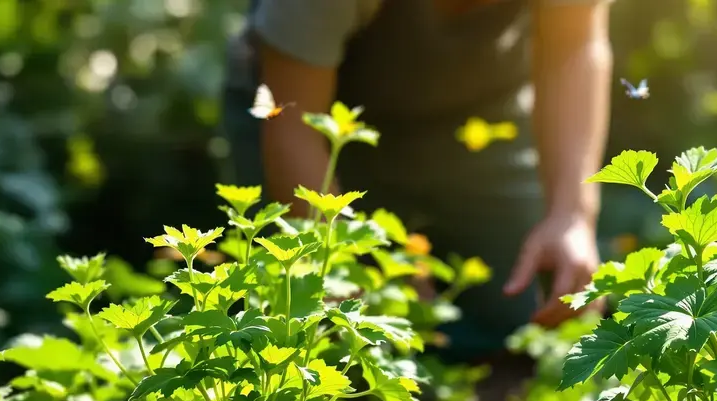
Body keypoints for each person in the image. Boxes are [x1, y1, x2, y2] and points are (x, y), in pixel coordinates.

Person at [222, 0, 613, 363]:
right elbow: (294, 127)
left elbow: (574, 45)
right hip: (323, 125)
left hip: (479, 121)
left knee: (532, 313)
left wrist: (572, 214)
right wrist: (346, 273)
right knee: (313, 331)